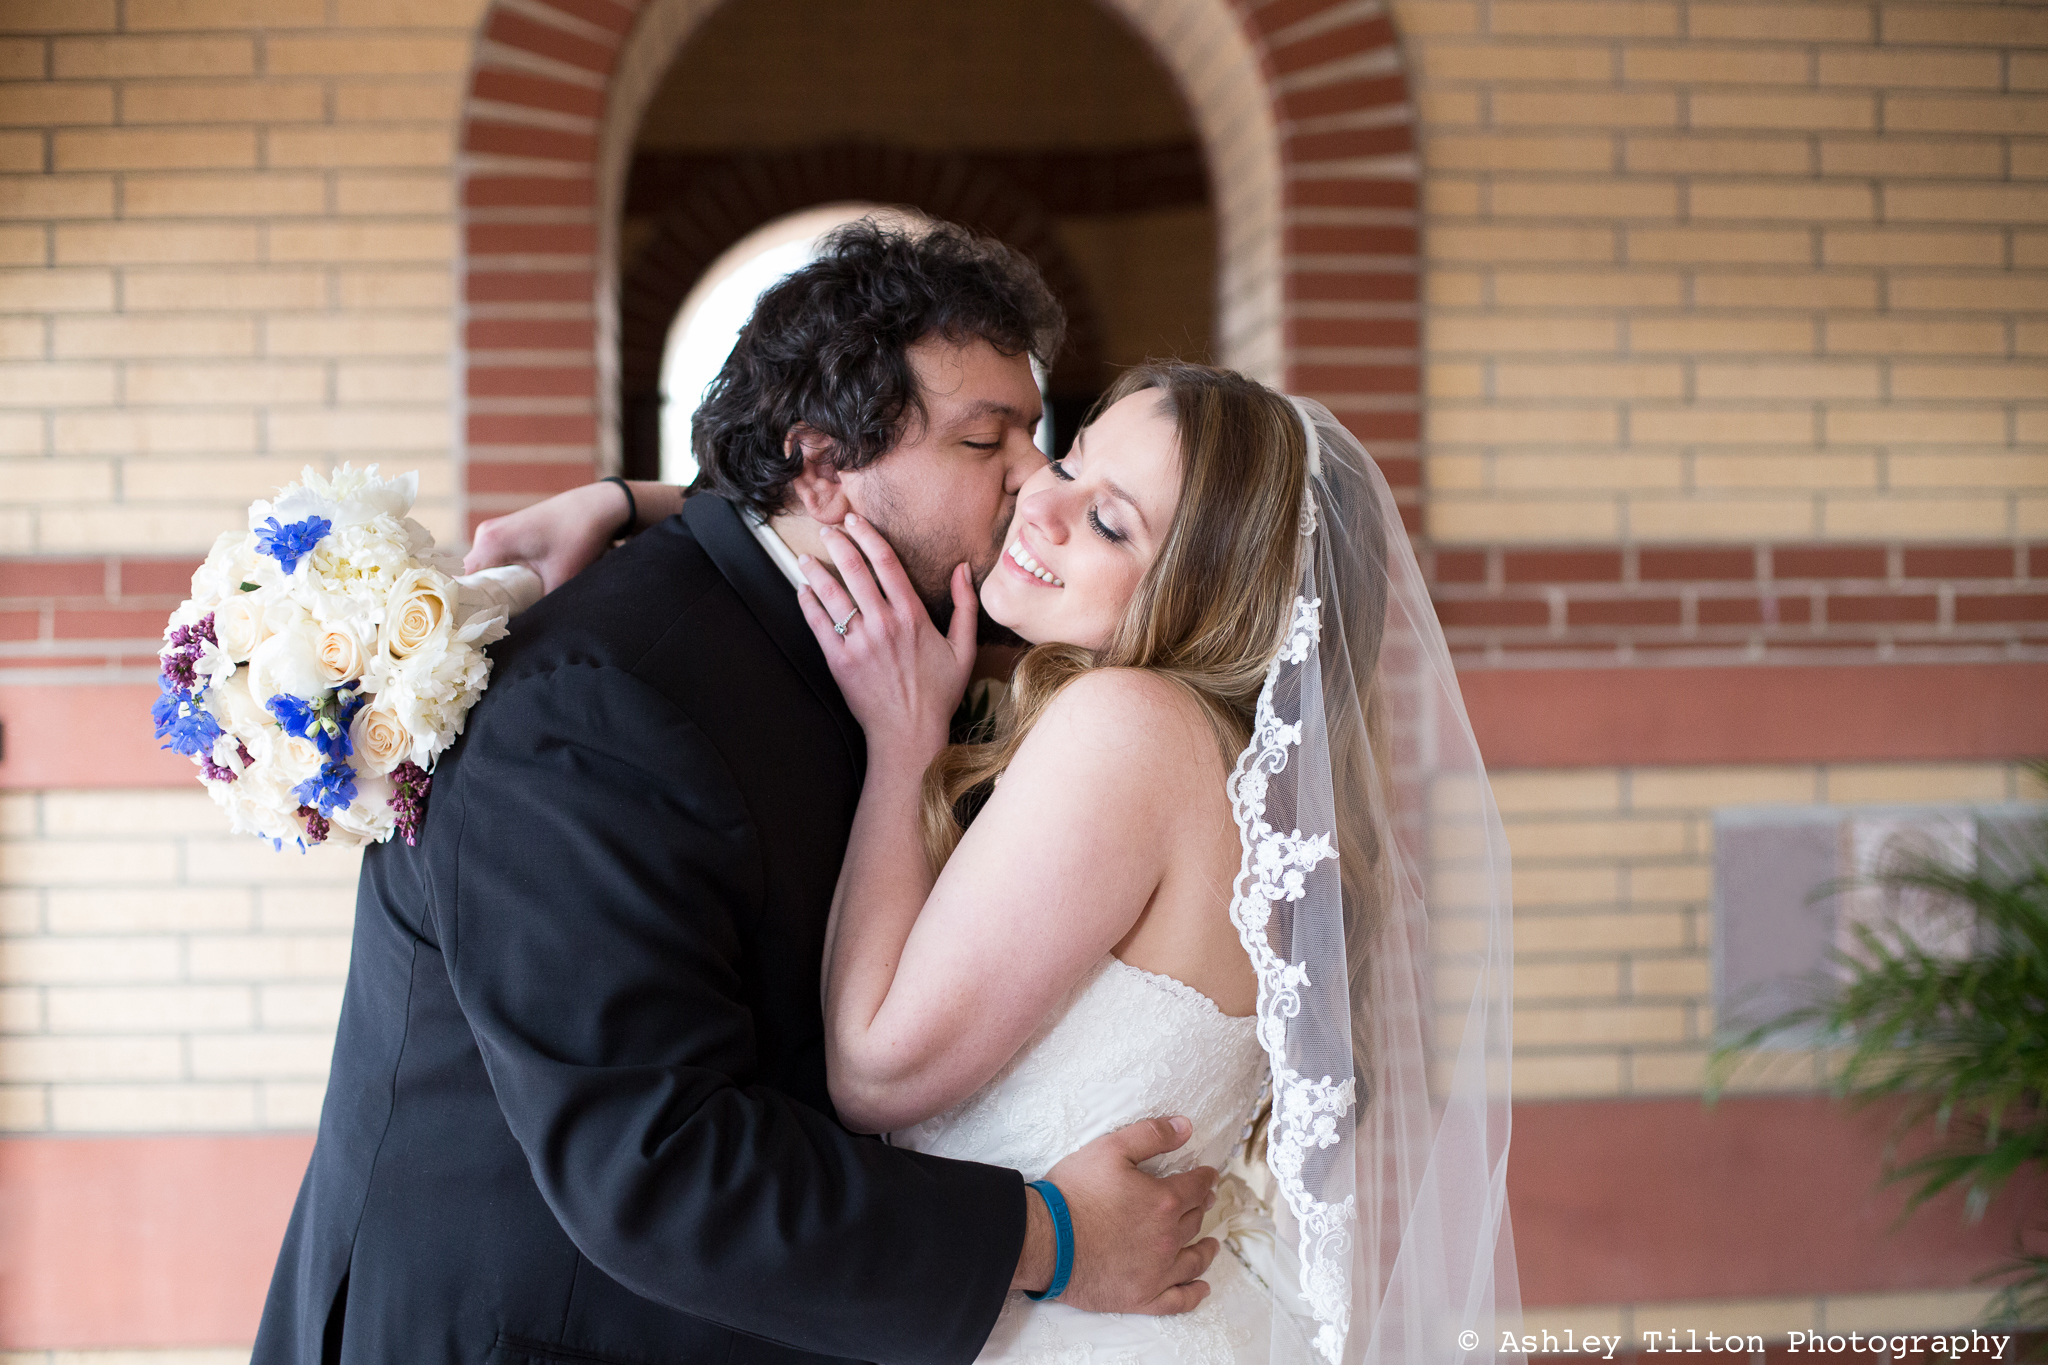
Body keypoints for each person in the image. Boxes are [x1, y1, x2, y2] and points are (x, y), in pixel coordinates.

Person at [250, 221, 1229, 1365]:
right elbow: (655, 1163)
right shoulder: (597, 707)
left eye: (1034, 437)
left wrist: (634, 498)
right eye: (983, 441)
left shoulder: (914, 642)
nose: (1031, 480)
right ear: (819, 466)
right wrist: (1047, 1237)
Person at [490, 356, 1524, 1364]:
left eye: (1109, 521)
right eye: (1068, 460)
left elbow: (876, 1068)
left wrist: (903, 741)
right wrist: (636, 502)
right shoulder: (1223, 756)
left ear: (1211, 594)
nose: (1039, 500)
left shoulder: (1127, 725)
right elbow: (880, 515)